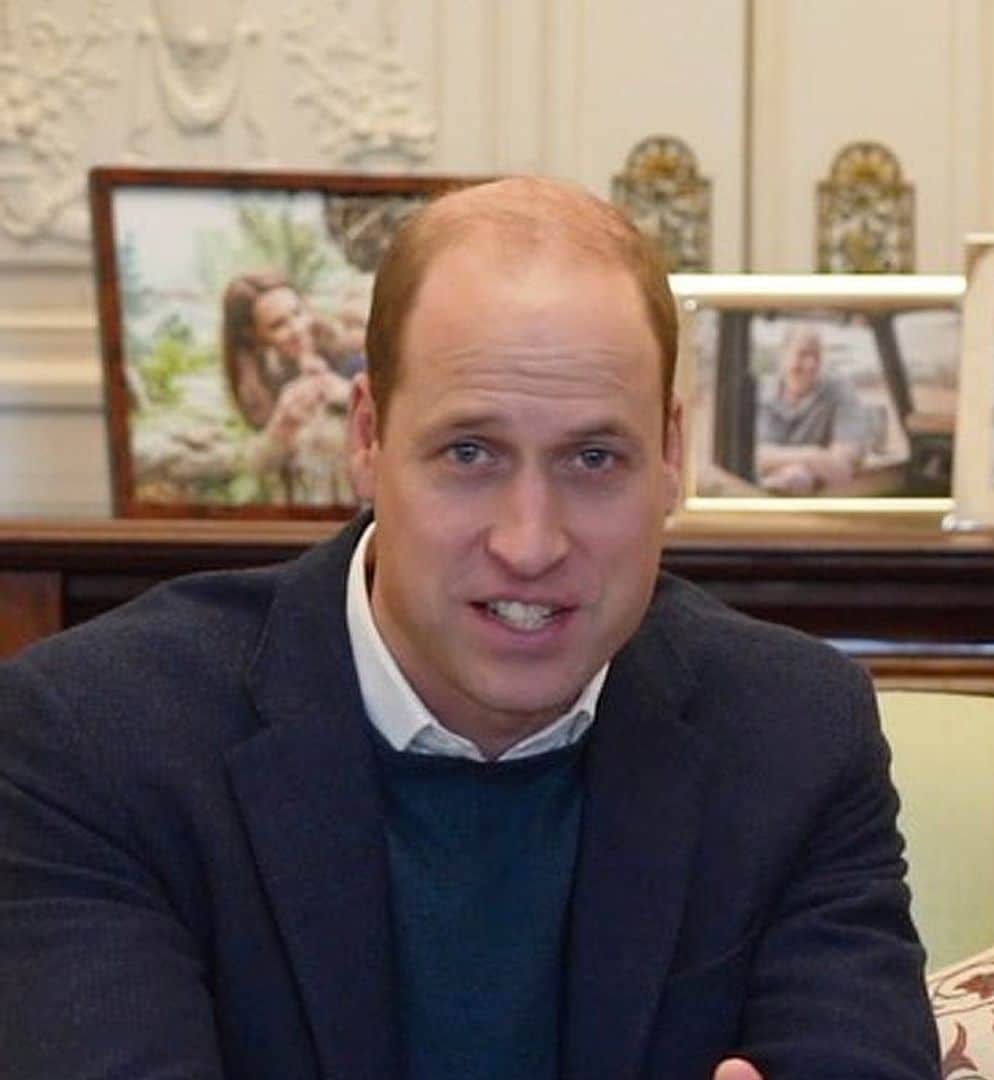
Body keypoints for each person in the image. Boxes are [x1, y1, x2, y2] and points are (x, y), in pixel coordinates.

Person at [0, 178, 938, 1078]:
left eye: (594, 457)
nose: (530, 544)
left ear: (672, 458)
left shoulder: (799, 735)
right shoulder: (94, 739)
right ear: (365, 438)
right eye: (469, 453)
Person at [221, 271, 363, 503]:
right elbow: (247, 469)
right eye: (278, 325)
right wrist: (282, 427)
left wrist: (350, 396)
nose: (297, 328)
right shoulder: (255, 384)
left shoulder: (349, 354)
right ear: (252, 335)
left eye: (297, 313)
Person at [754, 323, 871, 495]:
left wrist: (799, 471)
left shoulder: (839, 390)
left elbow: (841, 467)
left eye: (816, 356)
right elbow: (750, 457)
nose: (810, 365)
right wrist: (811, 457)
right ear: (782, 356)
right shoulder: (760, 394)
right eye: (802, 354)